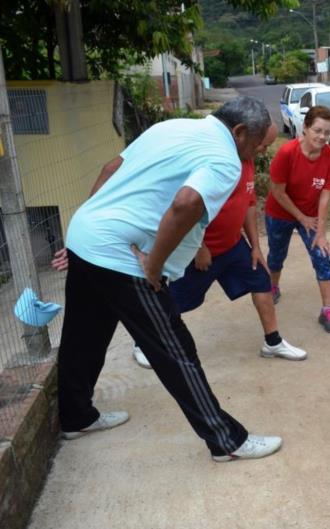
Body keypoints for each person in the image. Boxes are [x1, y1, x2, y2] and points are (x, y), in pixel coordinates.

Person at [54, 96, 282, 462]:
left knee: (84, 336)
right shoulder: (225, 158)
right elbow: (186, 203)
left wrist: (89, 228)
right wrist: (154, 266)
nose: (257, 153)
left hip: (86, 239)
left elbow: (110, 168)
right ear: (239, 132)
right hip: (123, 259)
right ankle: (226, 441)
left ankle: (76, 416)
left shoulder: (171, 127)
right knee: (176, 352)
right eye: (258, 144)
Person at [130, 120, 306, 368]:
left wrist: (255, 246)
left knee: (262, 281)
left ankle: (273, 342)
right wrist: (200, 247)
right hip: (199, 251)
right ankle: (142, 342)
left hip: (234, 245)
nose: (264, 150)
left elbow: (249, 204)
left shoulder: (248, 160)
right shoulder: (216, 161)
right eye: (262, 145)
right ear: (247, 136)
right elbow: (186, 205)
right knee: (174, 301)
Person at [265, 105, 330, 333]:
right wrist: (301, 217)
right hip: (280, 211)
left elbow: (325, 197)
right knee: (277, 255)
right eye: (317, 130)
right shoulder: (287, 153)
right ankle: (274, 286)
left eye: (327, 132)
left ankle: (327, 309)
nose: (322, 137)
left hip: (310, 214)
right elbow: (278, 192)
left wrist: (321, 233)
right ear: (305, 128)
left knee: (322, 256)